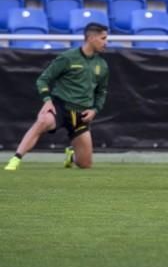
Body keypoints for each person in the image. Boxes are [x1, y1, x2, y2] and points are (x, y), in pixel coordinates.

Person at [4, 23, 109, 171]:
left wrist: (95, 110)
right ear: (91, 38)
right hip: (61, 106)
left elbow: (102, 92)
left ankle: (71, 155)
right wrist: (47, 100)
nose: (106, 42)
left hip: (81, 114)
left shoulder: (102, 65)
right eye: (103, 38)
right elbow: (43, 79)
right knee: (42, 121)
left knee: (85, 165)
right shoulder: (68, 58)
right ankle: (16, 159)